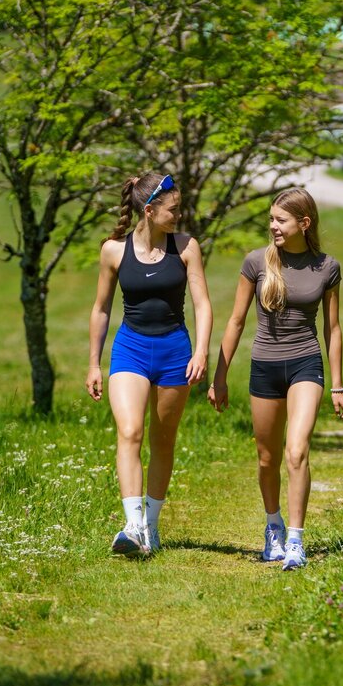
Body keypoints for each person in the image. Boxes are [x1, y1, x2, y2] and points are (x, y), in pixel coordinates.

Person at [208, 187, 343, 571]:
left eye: (280, 220)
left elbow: (333, 328)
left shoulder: (327, 267)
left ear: (304, 223)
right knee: (267, 458)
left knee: (296, 451)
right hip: (265, 367)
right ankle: (273, 526)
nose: (273, 226)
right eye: (271, 219)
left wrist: (338, 385)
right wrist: (219, 377)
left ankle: (296, 541)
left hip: (305, 364)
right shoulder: (256, 262)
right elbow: (236, 321)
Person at [86, 172, 212, 557]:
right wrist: (93, 364)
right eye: (173, 209)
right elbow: (101, 308)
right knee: (130, 431)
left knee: (162, 439)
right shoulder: (113, 251)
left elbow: (203, 304)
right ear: (150, 210)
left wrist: (201, 352)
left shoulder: (187, 246)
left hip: (175, 352)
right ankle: (133, 524)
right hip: (131, 349)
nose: (179, 214)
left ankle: (151, 526)